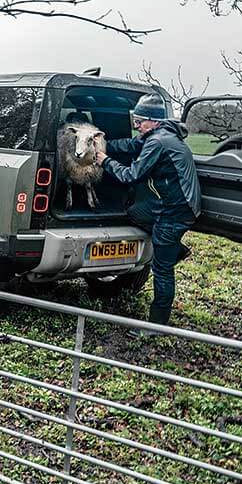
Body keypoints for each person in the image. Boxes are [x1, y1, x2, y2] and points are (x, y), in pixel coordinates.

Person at [94, 94, 201, 328]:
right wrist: (102, 144)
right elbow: (132, 145)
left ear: (154, 121)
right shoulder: (160, 135)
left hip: (175, 210)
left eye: (140, 121)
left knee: (161, 268)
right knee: (134, 212)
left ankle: (157, 325)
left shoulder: (157, 142)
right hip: (174, 204)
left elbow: (130, 175)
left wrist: (105, 161)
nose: (137, 126)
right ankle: (174, 247)